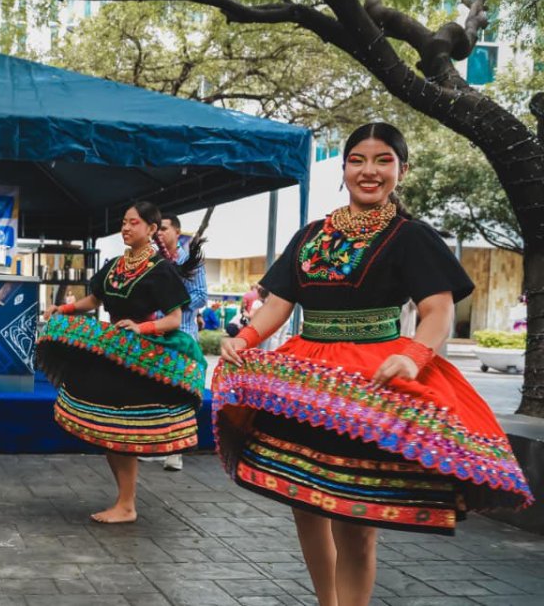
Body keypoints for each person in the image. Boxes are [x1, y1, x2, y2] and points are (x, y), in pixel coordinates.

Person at [216, 123, 533, 606]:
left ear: (402, 170)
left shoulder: (412, 237)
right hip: (305, 384)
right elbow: (278, 304)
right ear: (344, 169)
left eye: (383, 160)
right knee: (304, 505)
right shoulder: (310, 235)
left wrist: (414, 355)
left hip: (369, 385)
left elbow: (438, 310)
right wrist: (244, 337)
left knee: (355, 522)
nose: (369, 170)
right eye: (358, 160)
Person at [36, 201, 206, 523]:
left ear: (151, 229)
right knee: (110, 429)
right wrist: (65, 310)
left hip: (139, 357)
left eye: (133, 222)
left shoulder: (160, 269)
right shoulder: (116, 265)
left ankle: (126, 504)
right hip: (114, 350)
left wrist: (141, 328)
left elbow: (173, 319)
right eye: (124, 222)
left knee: (122, 431)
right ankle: (124, 502)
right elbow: (94, 300)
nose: (126, 227)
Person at [154, 213, 207, 472]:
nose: (159, 233)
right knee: (158, 390)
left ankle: (176, 450)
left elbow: (201, 296)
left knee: (180, 391)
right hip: (156, 335)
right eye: (157, 229)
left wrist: (174, 303)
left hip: (183, 335)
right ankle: (157, 444)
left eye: (164, 228)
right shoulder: (154, 261)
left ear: (177, 231)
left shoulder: (191, 261)